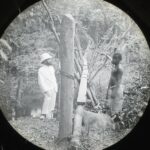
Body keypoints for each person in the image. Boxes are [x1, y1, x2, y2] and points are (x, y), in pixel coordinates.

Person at [38, 53, 58, 119]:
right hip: (47, 88)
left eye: (50, 59)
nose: (50, 60)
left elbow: (54, 78)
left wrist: (55, 86)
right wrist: (45, 90)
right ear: (45, 61)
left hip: (53, 87)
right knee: (47, 99)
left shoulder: (52, 68)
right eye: (49, 59)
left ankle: (50, 115)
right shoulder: (41, 70)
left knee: (53, 101)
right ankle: (43, 114)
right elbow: (41, 81)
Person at [106, 53, 124, 118]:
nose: (113, 59)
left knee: (116, 110)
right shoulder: (115, 66)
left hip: (117, 90)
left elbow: (118, 82)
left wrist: (114, 92)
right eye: (113, 58)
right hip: (113, 88)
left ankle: (116, 124)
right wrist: (108, 90)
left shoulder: (119, 69)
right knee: (111, 108)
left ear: (118, 60)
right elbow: (111, 78)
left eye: (115, 58)